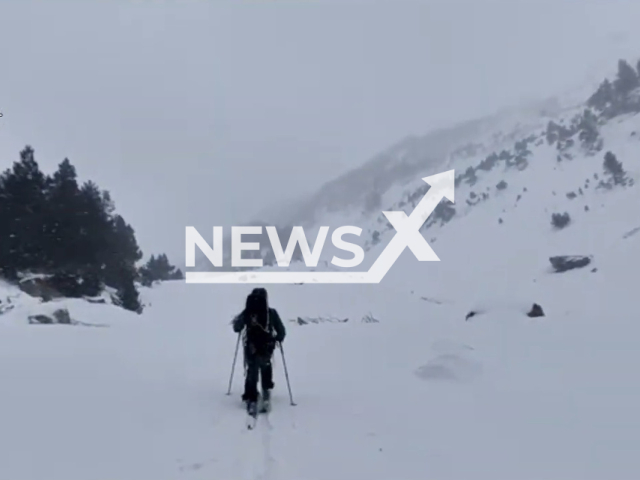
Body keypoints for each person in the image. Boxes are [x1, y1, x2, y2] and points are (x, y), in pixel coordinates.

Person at [232, 287, 286, 414]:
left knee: (252, 370)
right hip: (267, 346)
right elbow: (281, 331)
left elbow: (236, 327)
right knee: (266, 366)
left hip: (251, 346)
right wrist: (278, 338)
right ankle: (266, 390)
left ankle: (251, 397)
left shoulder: (247, 312)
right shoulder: (271, 313)